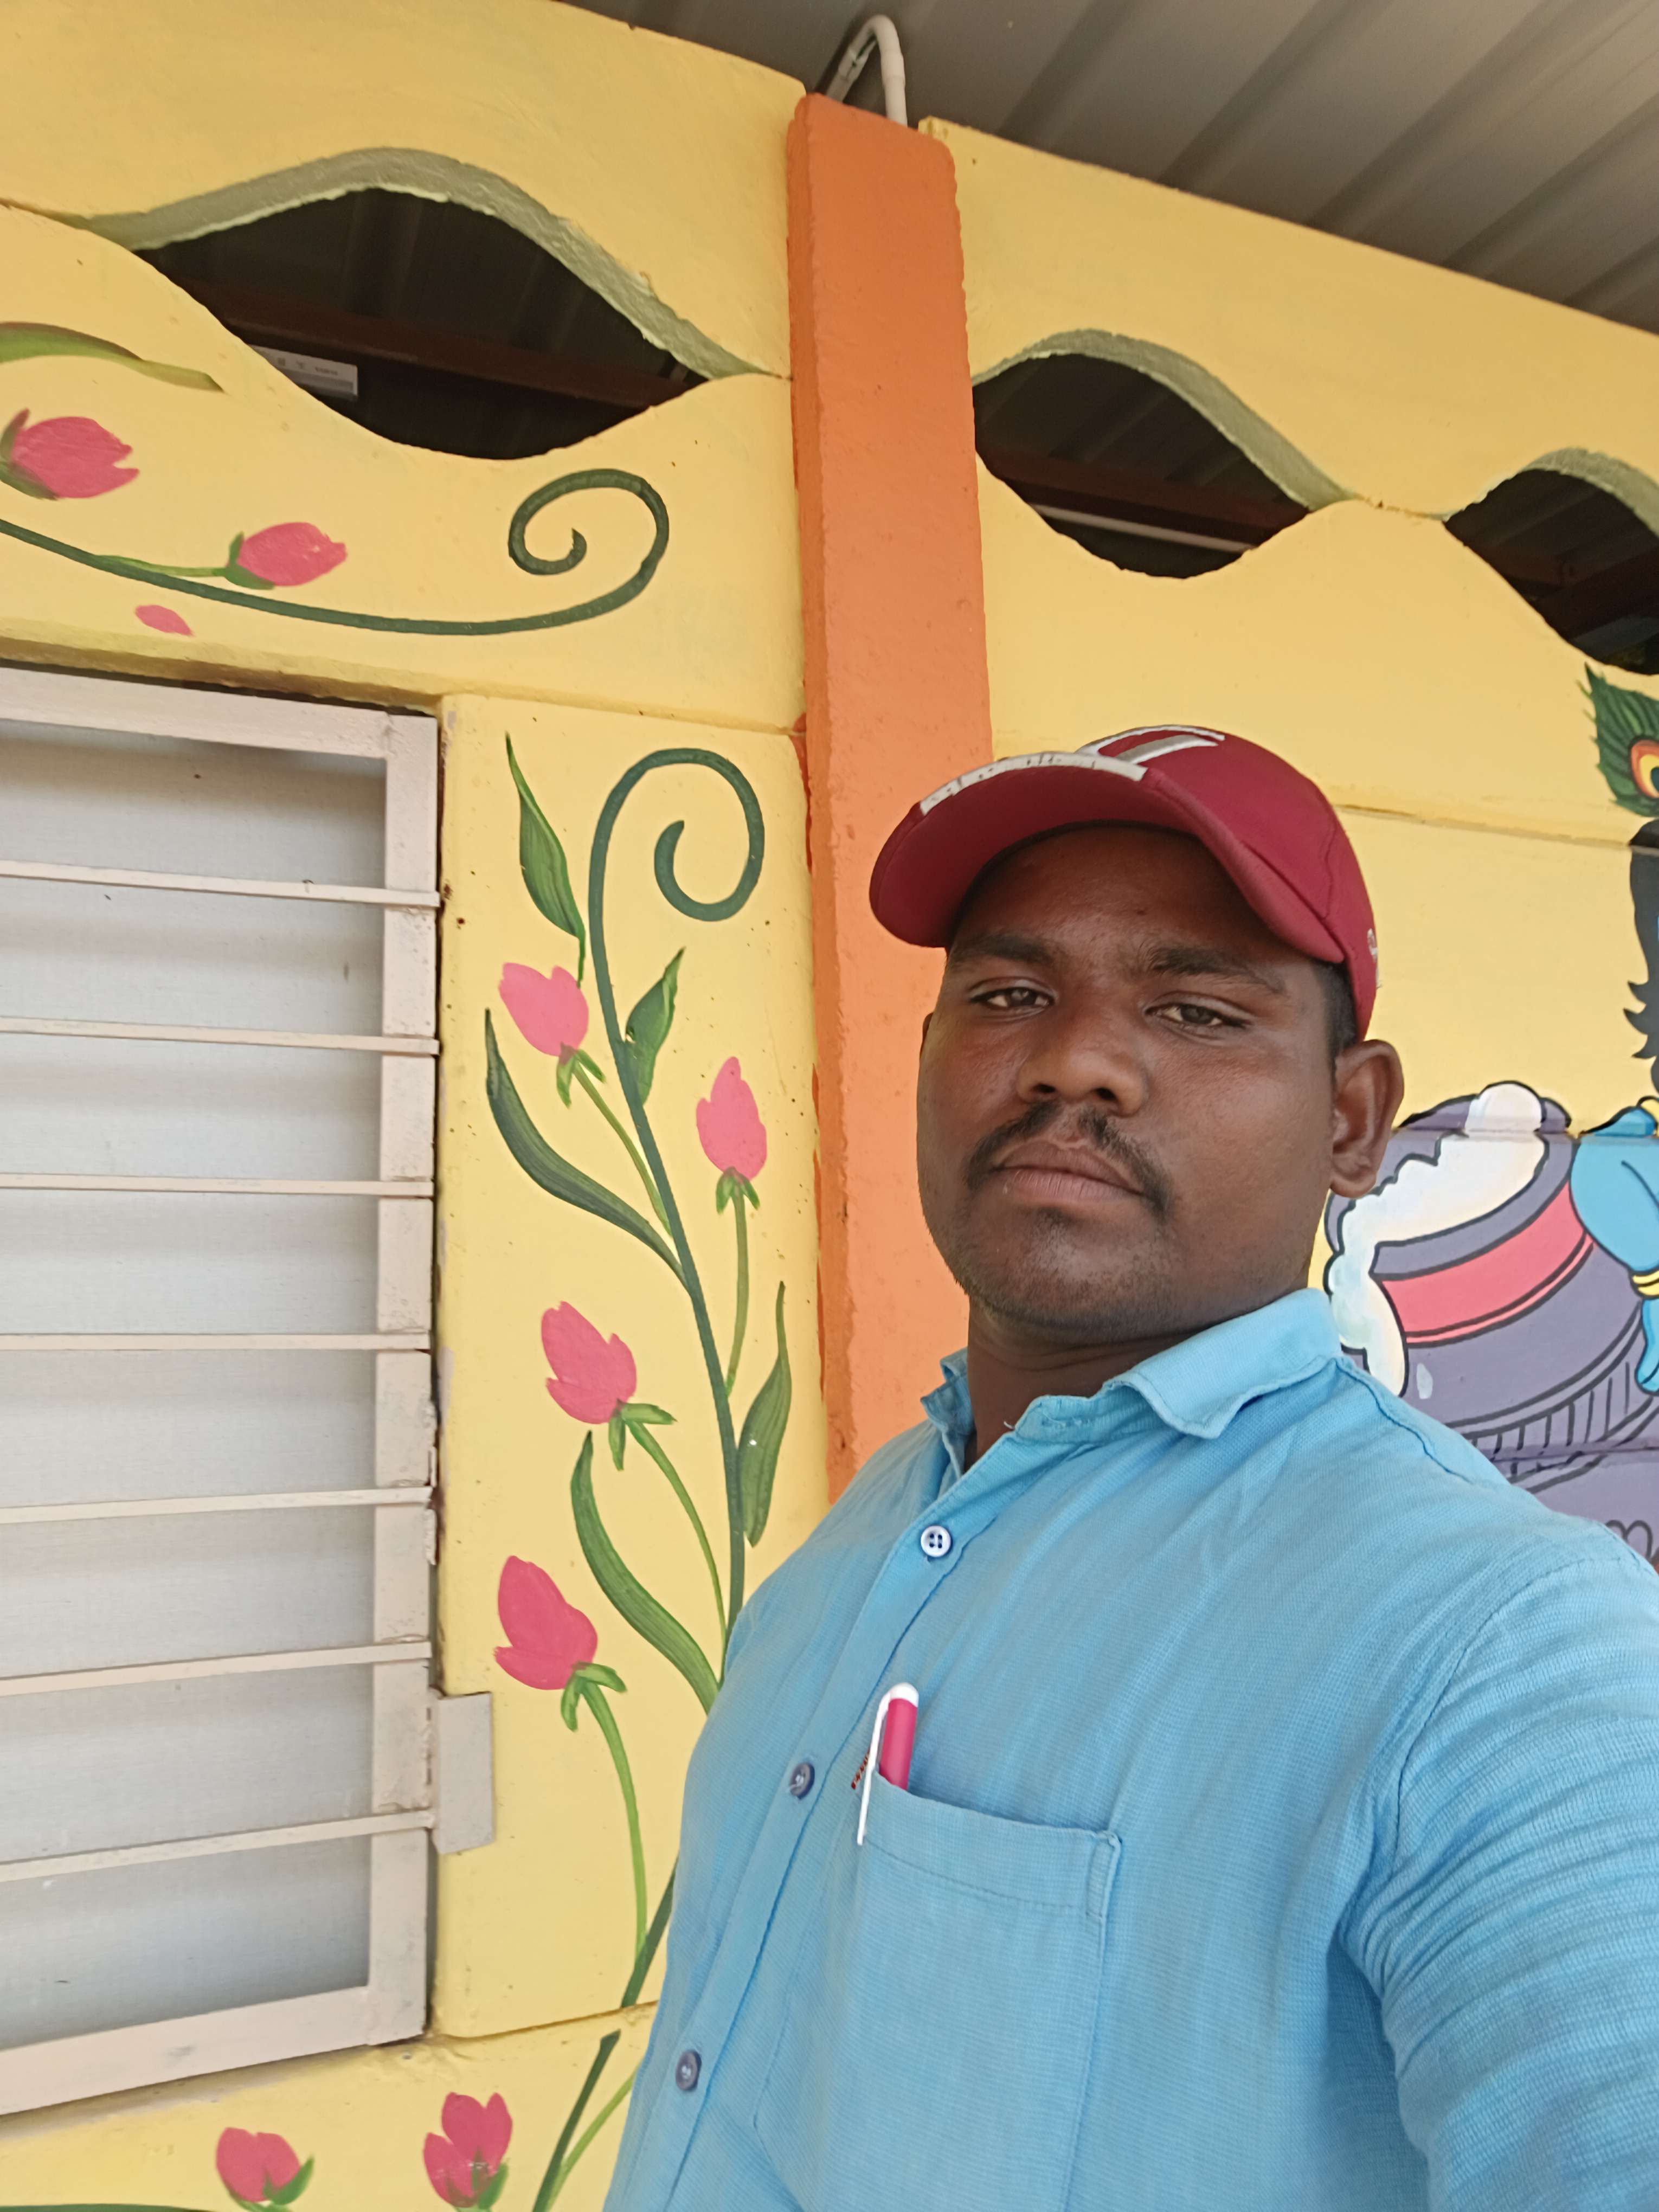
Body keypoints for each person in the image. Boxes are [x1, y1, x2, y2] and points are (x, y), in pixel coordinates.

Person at [605, 726, 1659, 2212]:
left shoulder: (1497, 1643)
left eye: (1196, 1009)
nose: (1073, 1059)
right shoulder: (873, 1532)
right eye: (1008, 996)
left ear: (1350, 1120)